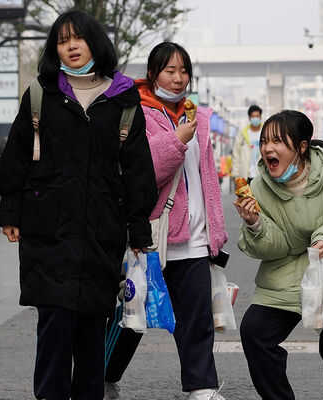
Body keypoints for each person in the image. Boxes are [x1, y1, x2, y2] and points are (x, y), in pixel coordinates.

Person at [0, 10, 157, 400]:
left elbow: (138, 172)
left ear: (94, 42)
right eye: (62, 40)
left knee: (90, 331)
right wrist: (9, 210)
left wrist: (138, 228)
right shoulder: (40, 95)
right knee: (53, 325)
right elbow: (15, 157)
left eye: (78, 38)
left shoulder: (123, 100)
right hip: (47, 231)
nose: (70, 46)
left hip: (101, 233)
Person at [106, 42, 229, 400]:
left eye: (183, 71)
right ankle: (102, 371)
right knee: (132, 316)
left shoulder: (199, 117)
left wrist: (215, 232)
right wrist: (176, 141)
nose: (178, 79)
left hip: (193, 238)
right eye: (169, 71)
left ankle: (201, 386)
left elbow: (206, 177)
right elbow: (140, 175)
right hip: (152, 235)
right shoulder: (136, 113)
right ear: (153, 73)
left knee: (196, 319)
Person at [235, 110, 323, 400]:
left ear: (301, 147)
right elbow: (276, 245)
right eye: (264, 141)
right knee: (255, 331)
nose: (268, 148)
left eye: (277, 141)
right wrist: (255, 224)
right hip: (289, 274)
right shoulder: (259, 188)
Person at [232, 104, 263, 183]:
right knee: (247, 195)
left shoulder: (266, 132)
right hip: (246, 175)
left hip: (261, 176)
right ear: (249, 118)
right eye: (253, 116)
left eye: (257, 116)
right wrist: (235, 173)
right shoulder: (242, 133)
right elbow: (236, 154)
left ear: (260, 117)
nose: (255, 119)